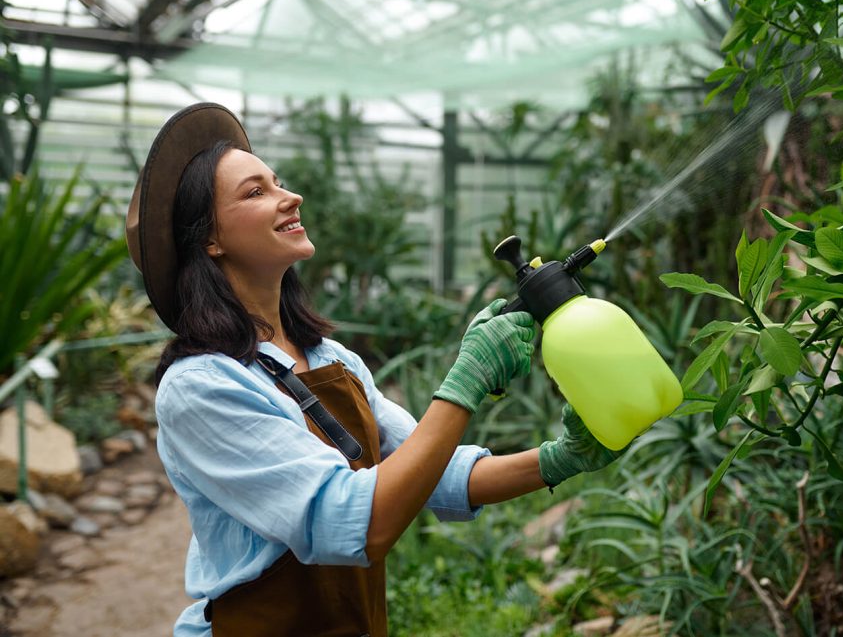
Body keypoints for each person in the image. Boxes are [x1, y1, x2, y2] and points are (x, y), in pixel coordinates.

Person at [125, 102, 624, 637]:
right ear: (209, 240)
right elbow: (352, 523)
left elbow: (436, 474)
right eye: (256, 192)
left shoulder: (332, 360)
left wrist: (559, 459)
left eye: (278, 182)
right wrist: (466, 381)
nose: (289, 197)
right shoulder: (202, 386)